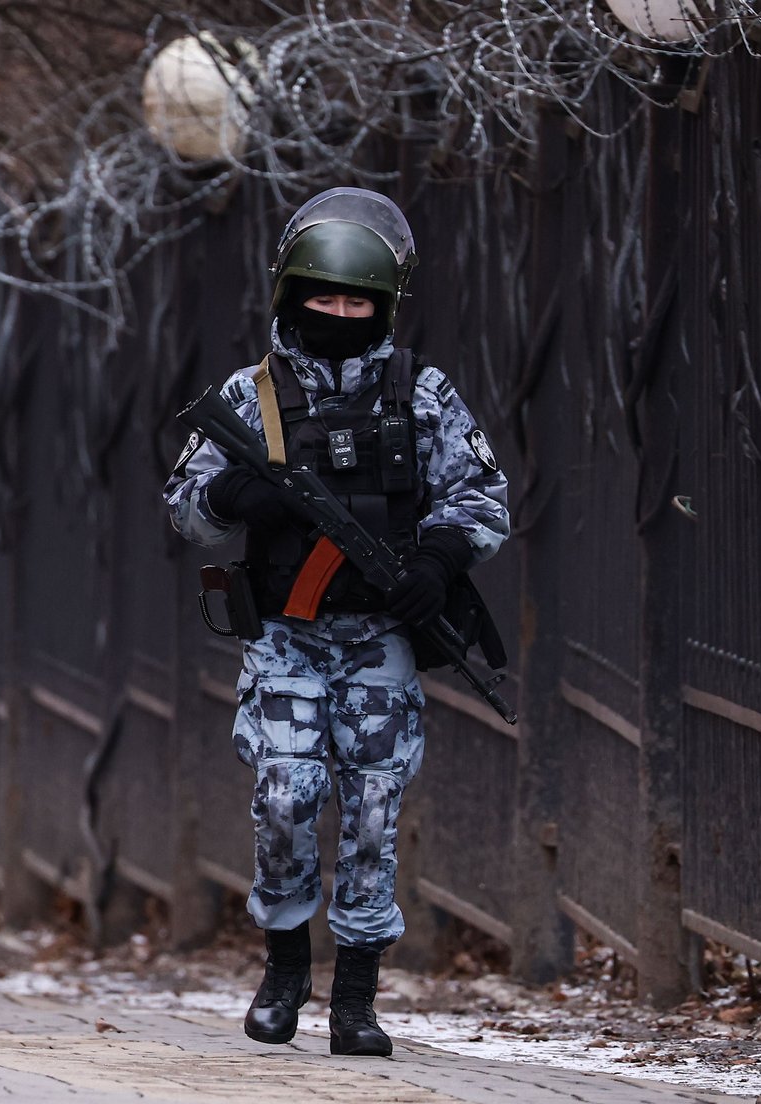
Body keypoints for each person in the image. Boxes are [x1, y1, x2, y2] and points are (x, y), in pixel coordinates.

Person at [163, 188, 509, 1057]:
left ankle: (355, 997)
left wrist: (436, 560)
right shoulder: (251, 397)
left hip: (379, 641)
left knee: (373, 813)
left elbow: (482, 497)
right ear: (292, 297)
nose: (341, 313)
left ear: (383, 306)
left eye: (358, 301)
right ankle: (284, 966)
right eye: (326, 298)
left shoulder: (421, 392)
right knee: (286, 799)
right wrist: (231, 493)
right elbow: (184, 507)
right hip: (285, 636)